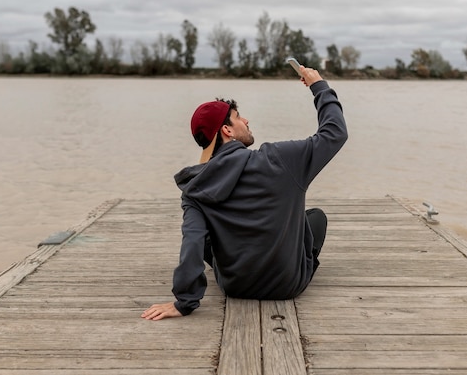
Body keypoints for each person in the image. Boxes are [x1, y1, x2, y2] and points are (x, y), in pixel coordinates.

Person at [142, 66, 348, 320]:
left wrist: (185, 301)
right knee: (315, 218)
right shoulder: (280, 159)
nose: (246, 121)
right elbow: (334, 133)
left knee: (205, 231)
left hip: (235, 286)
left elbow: (192, 242)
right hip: (287, 286)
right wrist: (319, 86)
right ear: (227, 130)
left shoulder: (196, 187)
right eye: (239, 117)